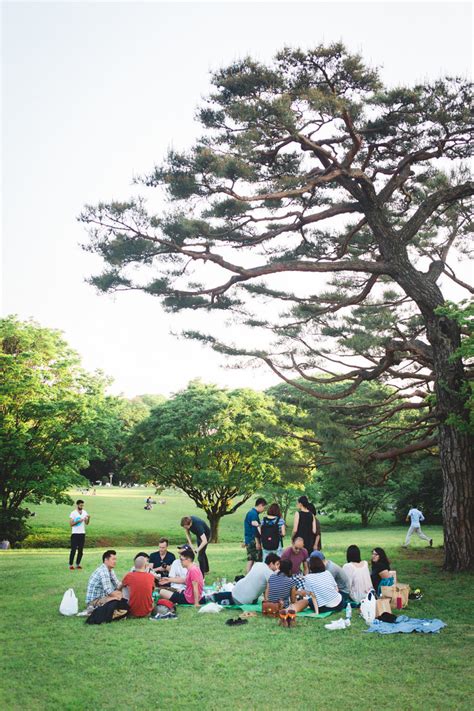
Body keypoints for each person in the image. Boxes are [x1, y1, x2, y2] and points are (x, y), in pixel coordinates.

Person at [212, 553, 281, 605]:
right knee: (241, 599)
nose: (278, 567)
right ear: (271, 564)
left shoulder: (258, 564)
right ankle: (222, 602)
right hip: (245, 600)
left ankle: (214, 597)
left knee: (232, 595)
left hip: (237, 589)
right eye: (277, 564)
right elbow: (269, 591)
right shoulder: (270, 574)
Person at [243, 497, 267, 572]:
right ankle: (251, 576)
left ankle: (249, 576)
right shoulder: (253, 514)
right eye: (264, 507)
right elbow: (254, 529)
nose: (263, 510)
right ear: (260, 505)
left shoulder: (251, 513)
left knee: (251, 558)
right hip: (253, 540)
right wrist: (257, 542)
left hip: (249, 539)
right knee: (254, 559)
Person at [68, 499, 90, 570]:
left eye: (83, 505)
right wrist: (78, 521)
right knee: (73, 550)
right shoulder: (73, 513)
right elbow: (71, 524)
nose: (82, 506)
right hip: (75, 534)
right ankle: (71, 564)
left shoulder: (84, 512)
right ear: (77, 505)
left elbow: (87, 523)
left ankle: (78, 564)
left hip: (82, 533)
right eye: (80, 505)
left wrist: (88, 518)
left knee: (80, 550)